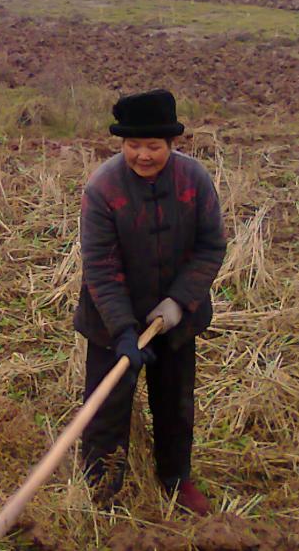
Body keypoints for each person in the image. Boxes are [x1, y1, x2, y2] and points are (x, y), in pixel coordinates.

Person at [76, 89, 226, 515]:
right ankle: (103, 487)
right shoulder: (103, 188)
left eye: (153, 146)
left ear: (171, 145)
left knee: (175, 402)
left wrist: (179, 302)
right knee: (106, 408)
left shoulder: (193, 180)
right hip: (112, 319)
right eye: (133, 146)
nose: (143, 155)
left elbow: (211, 246)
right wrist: (124, 330)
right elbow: (101, 267)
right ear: (122, 144)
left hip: (174, 319)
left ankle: (176, 478)